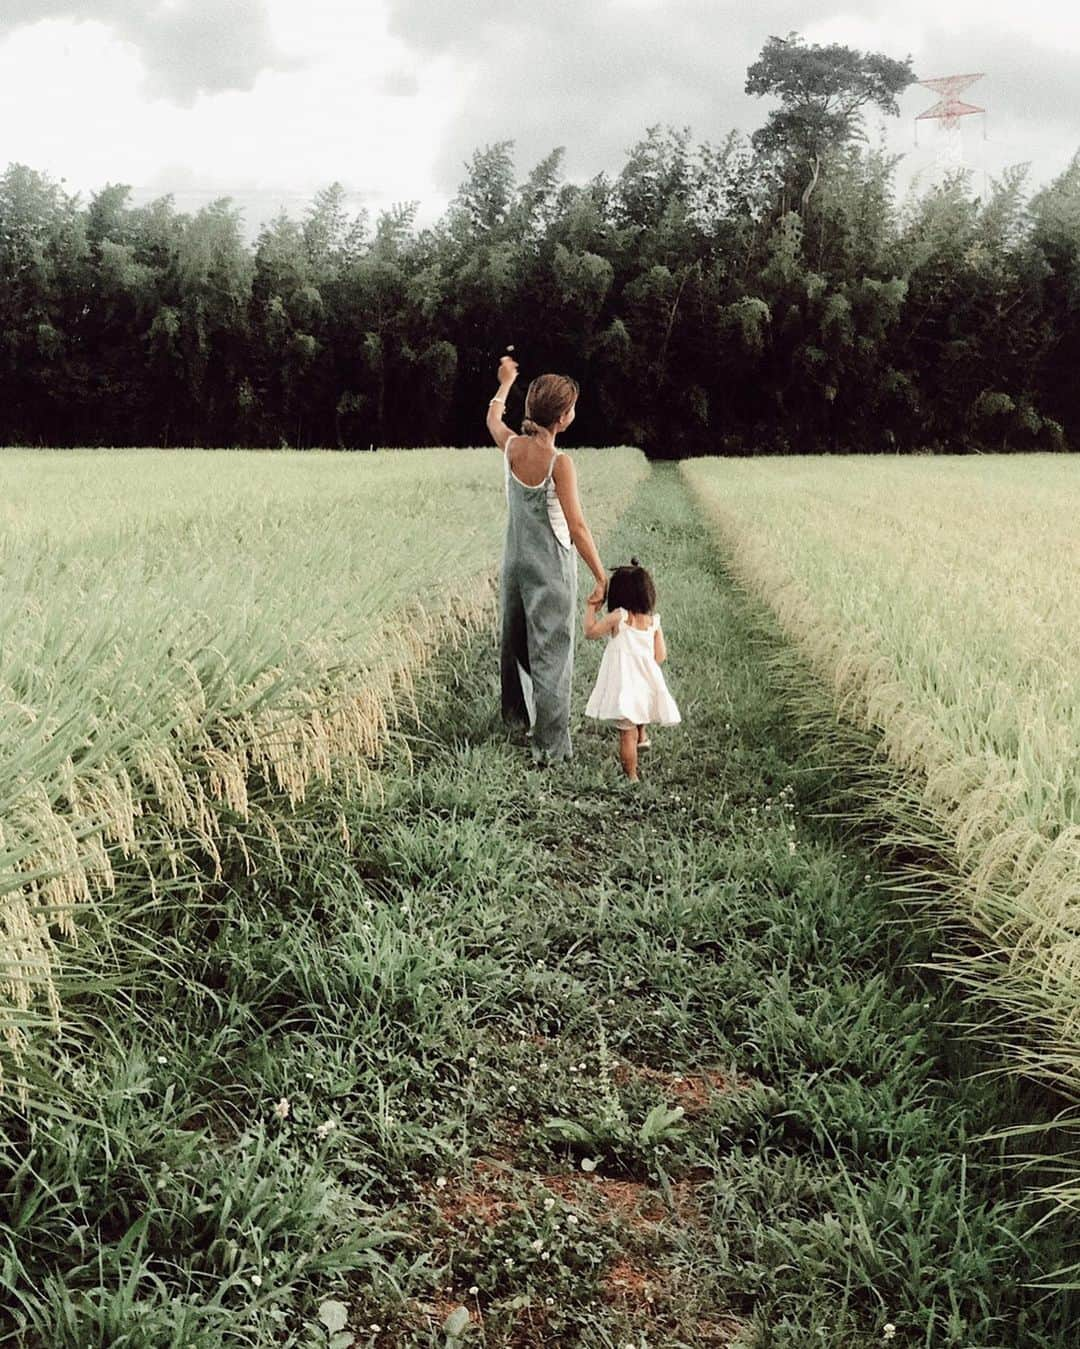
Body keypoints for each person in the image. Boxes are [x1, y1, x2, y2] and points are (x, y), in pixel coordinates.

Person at [487, 355, 607, 763]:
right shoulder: (560, 463)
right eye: (571, 406)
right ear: (562, 418)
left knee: (517, 643)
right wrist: (600, 574)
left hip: (514, 563)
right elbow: (577, 527)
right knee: (552, 652)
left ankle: (516, 721)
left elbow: (493, 423)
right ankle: (550, 748)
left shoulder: (514, 447)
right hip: (551, 569)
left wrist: (505, 383)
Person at [583, 558, 680, 781]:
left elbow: (590, 632)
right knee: (642, 705)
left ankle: (632, 776)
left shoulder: (620, 617)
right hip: (645, 680)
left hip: (625, 683)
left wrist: (590, 607)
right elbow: (660, 656)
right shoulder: (653, 622)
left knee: (626, 734)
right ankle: (643, 733)